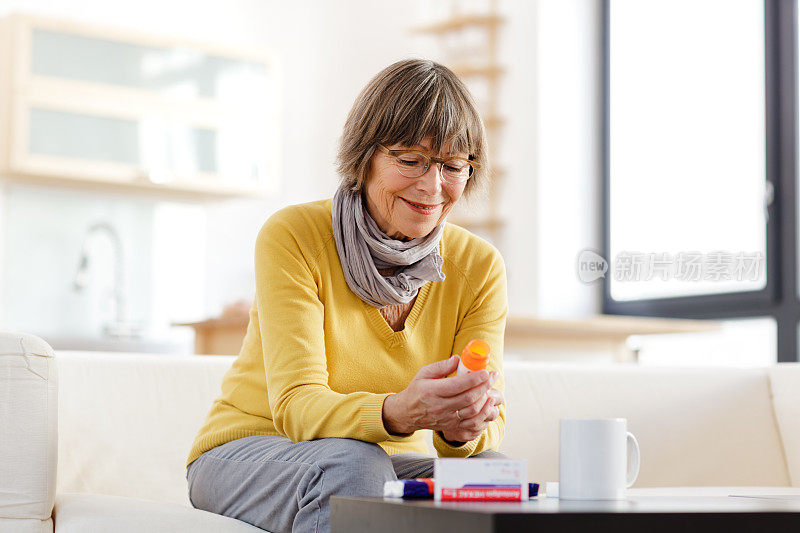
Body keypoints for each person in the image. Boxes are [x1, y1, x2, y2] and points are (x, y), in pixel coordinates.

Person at [185, 58, 508, 533]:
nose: (431, 186)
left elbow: (491, 419)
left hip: (382, 462)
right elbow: (296, 405)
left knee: (492, 477)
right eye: (409, 159)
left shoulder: (478, 267)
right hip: (250, 451)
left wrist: (463, 428)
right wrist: (400, 411)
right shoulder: (295, 235)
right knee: (353, 466)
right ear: (366, 155)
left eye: (452, 166)